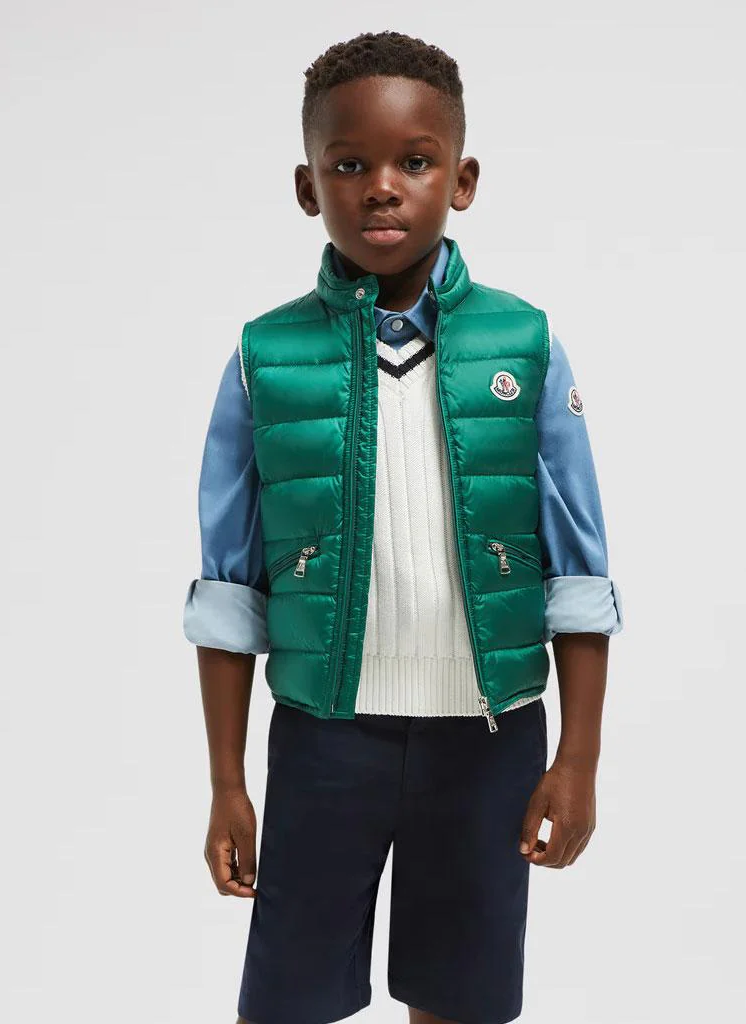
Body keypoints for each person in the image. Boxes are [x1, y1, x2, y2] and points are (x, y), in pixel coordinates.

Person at [182, 30, 624, 1024]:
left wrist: (577, 760)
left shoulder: (525, 344)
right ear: (309, 188)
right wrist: (226, 782)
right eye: (349, 166)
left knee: (459, 996)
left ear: (461, 180)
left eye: (414, 162)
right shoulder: (265, 358)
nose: (381, 188)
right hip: (324, 740)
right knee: (289, 997)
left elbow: (576, 573)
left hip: (489, 740)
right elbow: (229, 589)